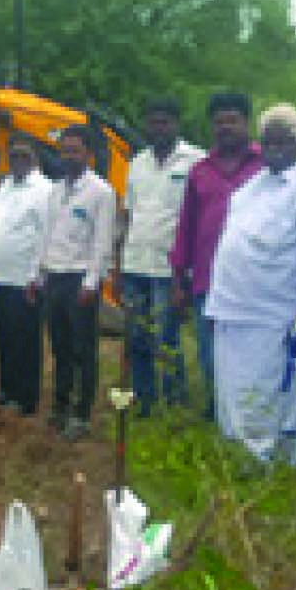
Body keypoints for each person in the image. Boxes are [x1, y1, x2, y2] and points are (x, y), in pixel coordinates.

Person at [204, 105, 296, 464]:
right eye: (269, 141)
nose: (275, 148)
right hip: (232, 308)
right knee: (232, 392)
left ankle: (267, 467)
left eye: (284, 141)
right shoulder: (254, 185)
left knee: (265, 395)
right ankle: (237, 459)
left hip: (274, 315)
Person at [169, 92, 264, 421]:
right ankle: (217, 412)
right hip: (207, 279)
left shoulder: (265, 166)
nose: (225, 127)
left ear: (246, 123)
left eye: (232, 120)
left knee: (249, 354)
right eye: (219, 121)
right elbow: (187, 227)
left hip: (253, 283)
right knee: (210, 353)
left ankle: (250, 416)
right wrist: (179, 278)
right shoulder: (200, 171)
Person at [117, 96, 206, 417]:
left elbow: (197, 219)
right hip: (134, 263)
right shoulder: (136, 162)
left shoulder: (195, 161)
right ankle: (144, 400)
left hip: (169, 268)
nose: (159, 128)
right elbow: (128, 214)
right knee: (136, 337)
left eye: (165, 122)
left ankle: (174, 401)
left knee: (166, 339)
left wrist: (188, 274)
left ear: (176, 124)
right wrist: (118, 264)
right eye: (153, 122)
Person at [38, 125, 115, 442]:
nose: (69, 157)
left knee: (83, 349)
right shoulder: (56, 190)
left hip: (80, 280)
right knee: (60, 347)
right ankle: (60, 405)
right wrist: (39, 274)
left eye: (75, 151)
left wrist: (91, 282)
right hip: (54, 275)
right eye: (65, 150)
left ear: (89, 155)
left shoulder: (101, 192)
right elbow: (46, 236)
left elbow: (102, 241)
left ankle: (82, 414)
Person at [0, 134, 54, 416]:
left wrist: (36, 277)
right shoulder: (4, 186)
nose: (18, 161)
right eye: (14, 156)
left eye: (24, 156)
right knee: (4, 335)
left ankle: (26, 398)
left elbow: (45, 236)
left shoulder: (44, 191)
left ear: (35, 158)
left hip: (25, 278)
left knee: (26, 339)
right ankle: (7, 389)